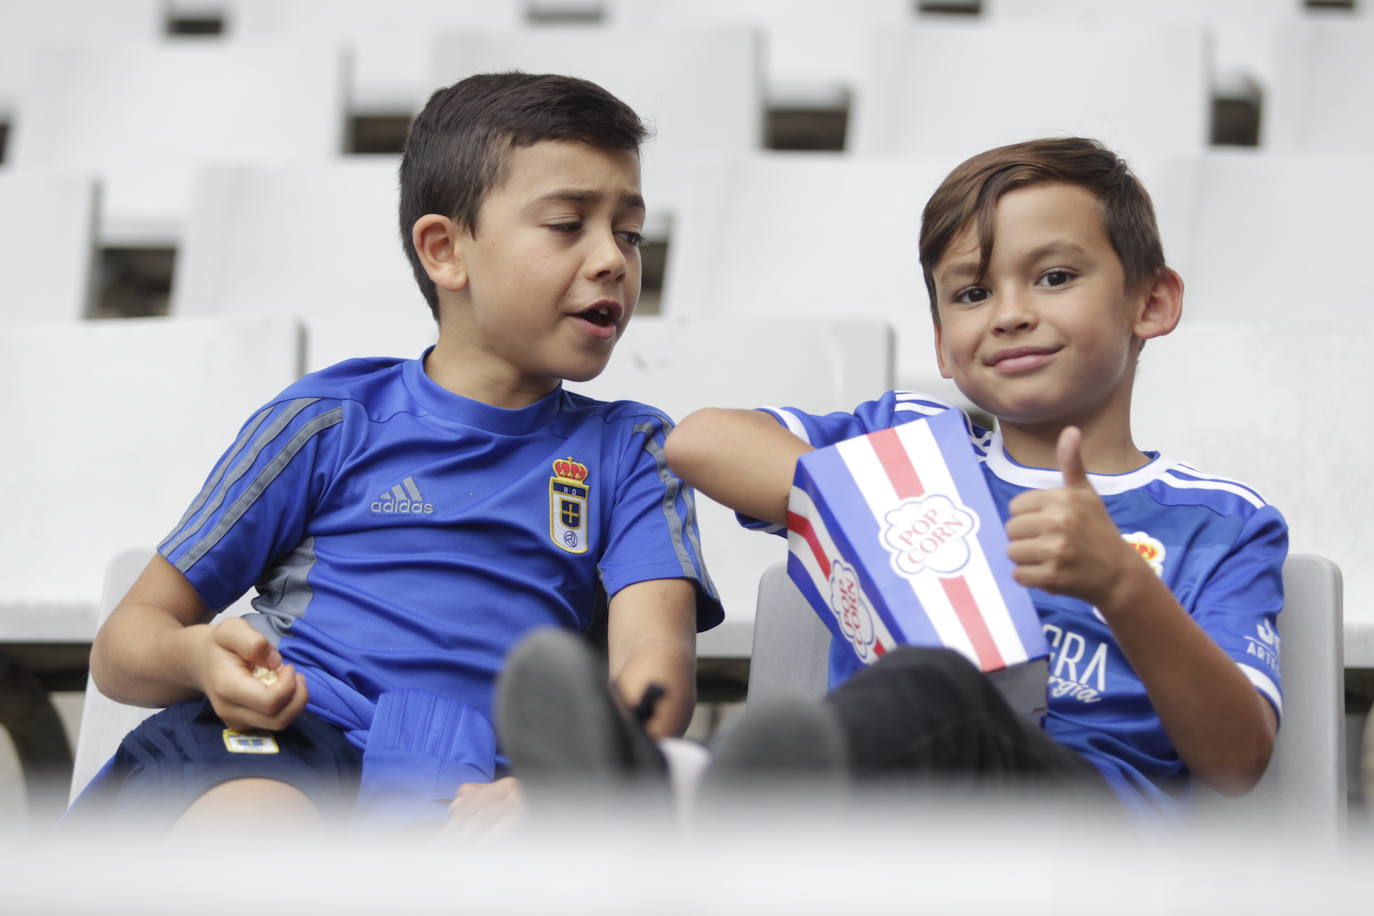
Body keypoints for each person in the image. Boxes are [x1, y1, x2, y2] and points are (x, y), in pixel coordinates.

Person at [504, 137, 1286, 814]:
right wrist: (892, 509)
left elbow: (1237, 760)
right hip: (888, 833)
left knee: (940, 690)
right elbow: (700, 443)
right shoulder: (910, 446)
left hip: (1082, 835)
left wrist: (1122, 585)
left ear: (1151, 301)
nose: (1009, 313)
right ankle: (692, 794)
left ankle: (672, 788)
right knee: (927, 690)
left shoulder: (1219, 521)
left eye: (1053, 277)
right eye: (973, 293)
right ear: (944, 346)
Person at [73, 72, 722, 831]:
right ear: (446, 251)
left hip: (493, 784)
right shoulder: (329, 420)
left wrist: (571, 780)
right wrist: (199, 659)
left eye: (630, 232)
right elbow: (125, 646)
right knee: (256, 831)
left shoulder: (636, 450)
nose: (612, 258)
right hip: (284, 740)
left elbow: (655, 675)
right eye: (566, 223)